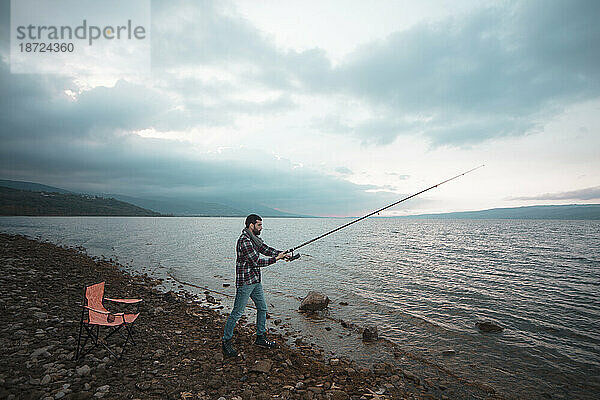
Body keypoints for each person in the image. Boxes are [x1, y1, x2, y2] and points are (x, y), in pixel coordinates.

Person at [222, 214, 289, 357]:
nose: (261, 227)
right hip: (245, 282)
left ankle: (260, 338)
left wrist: (282, 254)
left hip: (255, 281)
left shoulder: (254, 239)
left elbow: (265, 249)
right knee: (237, 313)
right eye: (259, 225)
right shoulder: (244, 241)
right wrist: (277, 259)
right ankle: (226, 341)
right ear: (251, 225)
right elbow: (256, 261)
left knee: (262, 308)